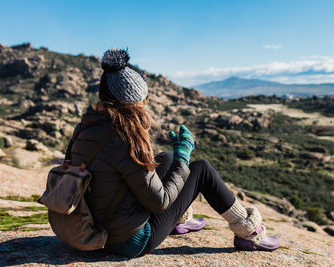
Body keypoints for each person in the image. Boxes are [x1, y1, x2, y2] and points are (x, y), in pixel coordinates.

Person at [70, 48, 280, 258]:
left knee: (166, 158)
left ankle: (178, 221)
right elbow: (159, 202)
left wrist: (174, 160)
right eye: (144, 98)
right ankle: (250, 233)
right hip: (127, 241)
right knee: (202, 169)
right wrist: (183, 159)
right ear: (134, 101)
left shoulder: (86, 127)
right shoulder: (127, 140)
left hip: (89, 229)